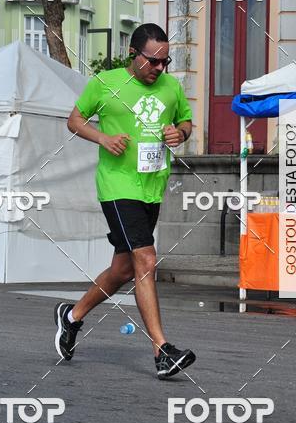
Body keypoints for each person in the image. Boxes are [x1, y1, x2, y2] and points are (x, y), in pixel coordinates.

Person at [54, 23, 196, 379]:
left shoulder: (171, 86)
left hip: (152, 186)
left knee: (123, 269)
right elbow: (74, 120)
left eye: (166, 61)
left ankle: (71, 318)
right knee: (146, 259)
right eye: (153, 62)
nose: (159, 69)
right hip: (118, 186)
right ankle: (162, 351)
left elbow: (187, 122)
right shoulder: (106, 83)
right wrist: (102, 139)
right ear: (134, 55)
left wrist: (180, 133)